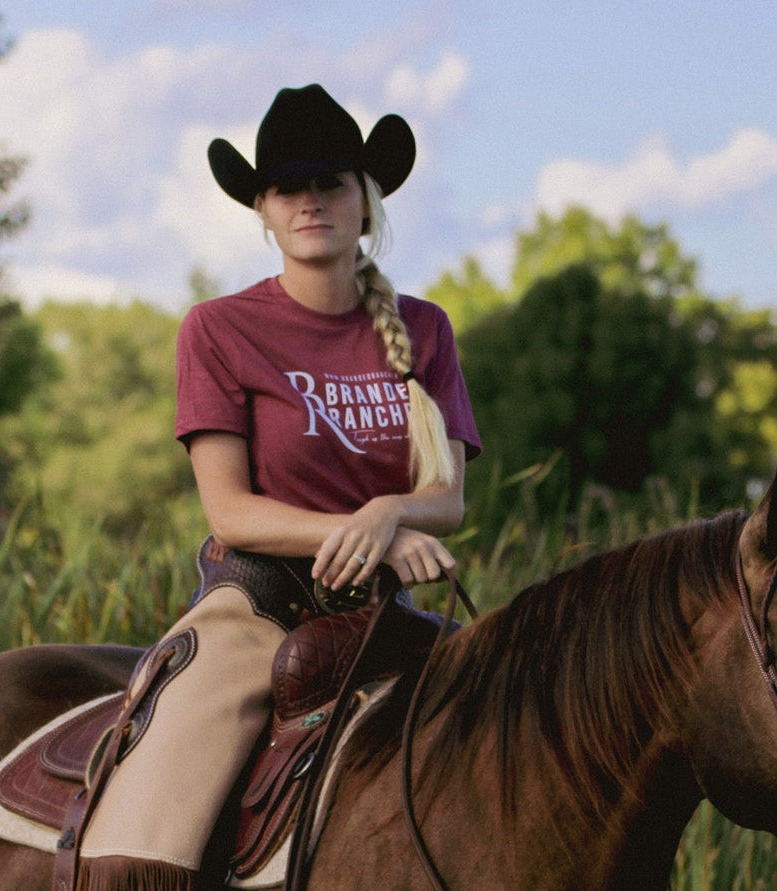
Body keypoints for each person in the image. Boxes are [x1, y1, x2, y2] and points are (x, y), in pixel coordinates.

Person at [75, 83, 482, 890]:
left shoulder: (424, 326)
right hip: (257, 597)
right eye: (287, 188)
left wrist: (386, 514)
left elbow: (448, 495)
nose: (309, 202)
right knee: (143, 836)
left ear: (365, 201)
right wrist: (373, 536)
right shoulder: (220, 328)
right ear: (261, 209)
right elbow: (229, 509)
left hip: (380, 605)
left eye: (330, 183)